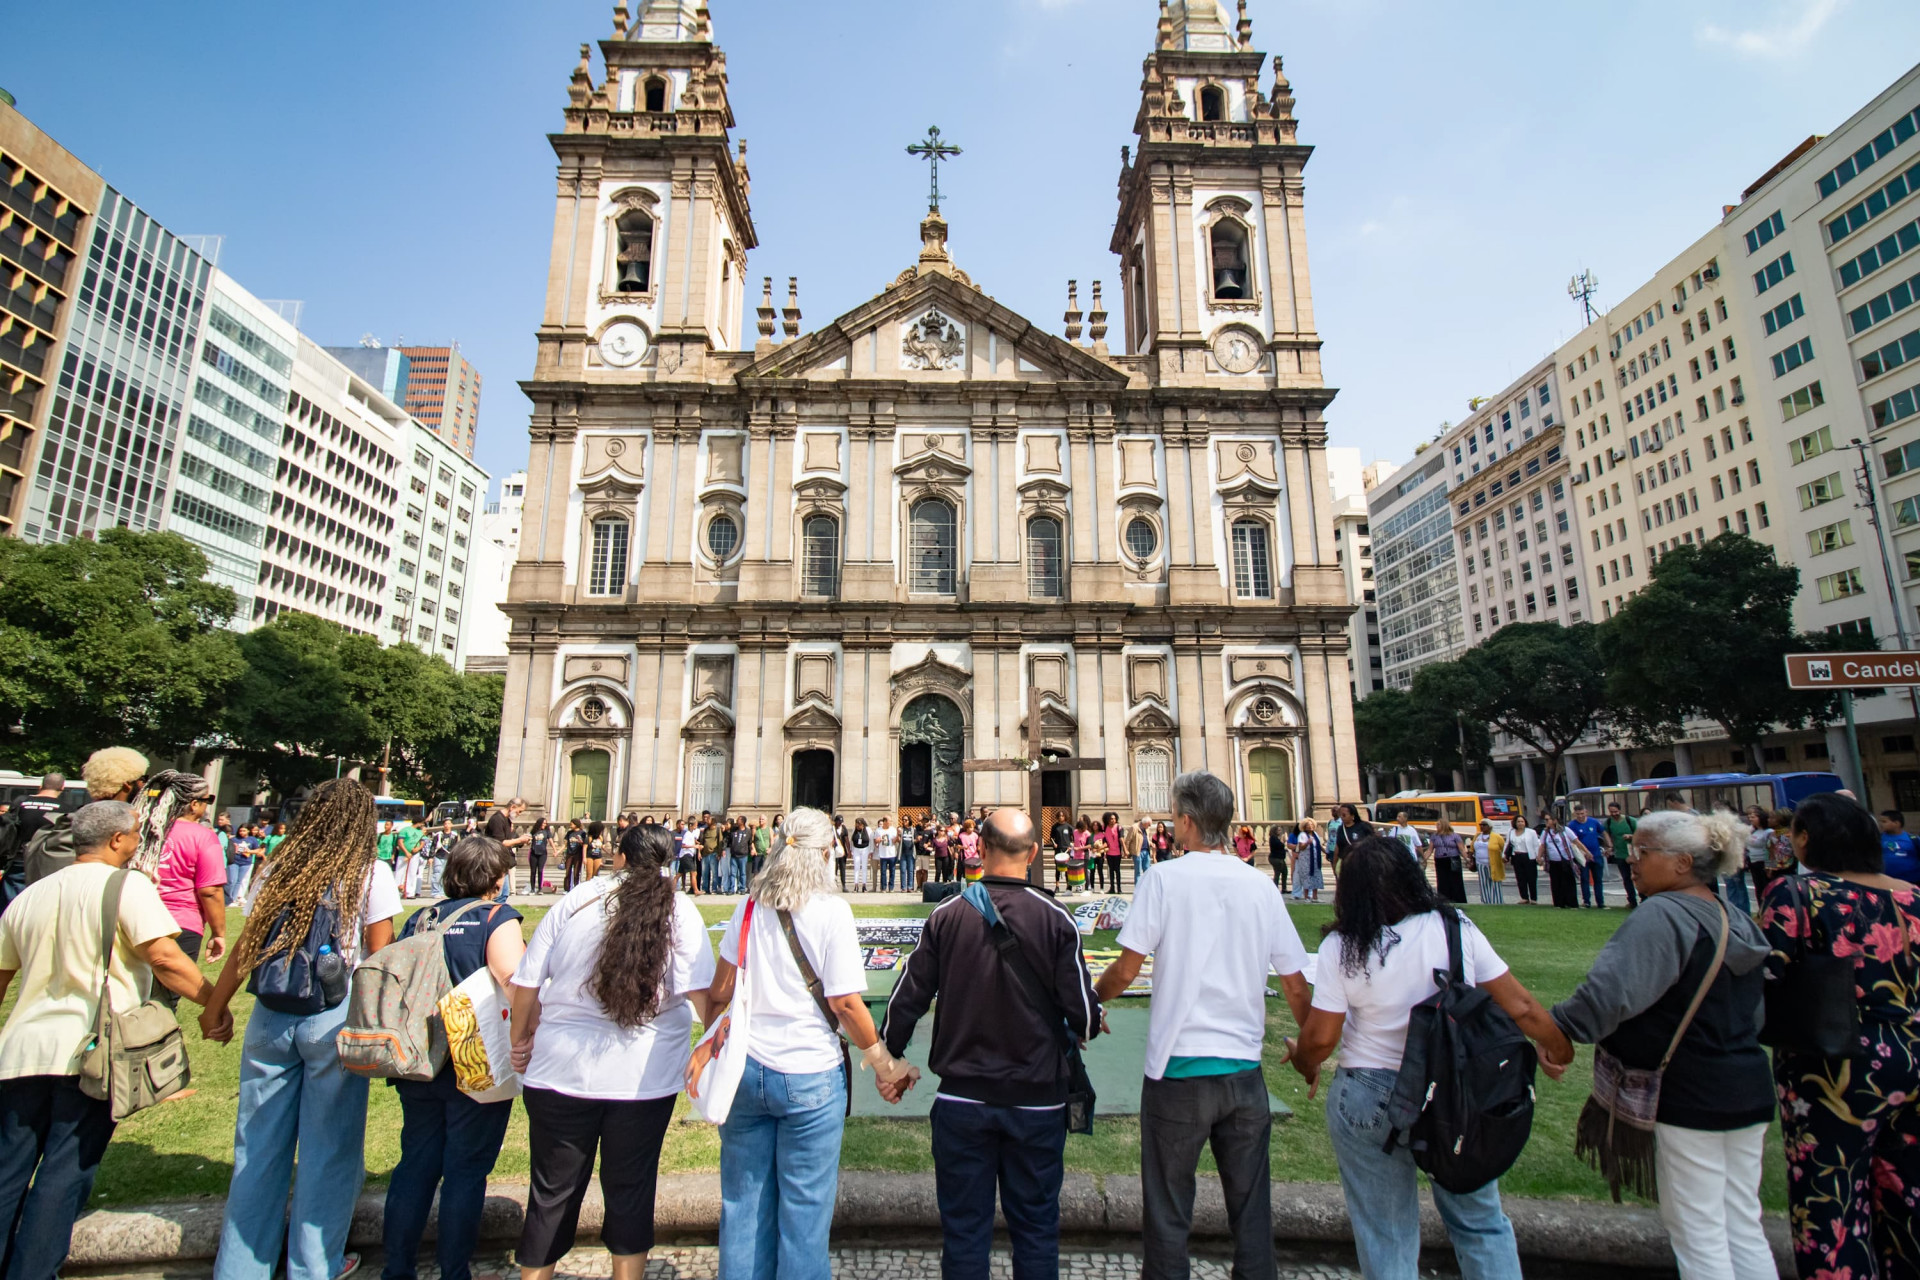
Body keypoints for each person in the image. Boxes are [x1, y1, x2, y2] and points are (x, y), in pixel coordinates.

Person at [1291, 837, 1573, 1280]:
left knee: (1386, 1234)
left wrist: (1303, 1061)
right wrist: (1558, 1046)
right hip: (1452, 1086)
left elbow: (1322, 1039)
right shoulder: (1453, 927)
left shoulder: (1342, 948)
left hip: (1369, 1089)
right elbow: (1520, 1006)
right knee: (1479, 1222)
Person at [1093, 771, 1313, 1280]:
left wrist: (1087, 1003)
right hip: (1243, 1075)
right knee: (1252, 1210)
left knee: (1169, 1211)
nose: (1171, 825)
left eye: (1173, 817)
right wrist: (1308, 1053)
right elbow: (1297, 986)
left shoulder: (1164, 879)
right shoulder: (1260, 885)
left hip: (1178, 1073)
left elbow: (1126, 970)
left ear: (1187, 823)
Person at [687, 808, 913, 1280]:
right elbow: (846, 1004)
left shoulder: (749, 906)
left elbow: (721, 990)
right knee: (805, 1215)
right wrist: (883, 1063)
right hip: (810, 1075)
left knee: (744, 1207)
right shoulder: (831, 911)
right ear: (826, 854)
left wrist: (717, 1035)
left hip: (746, 1074)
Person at [1551, 809, 1775, 1280]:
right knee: (1741, 1221)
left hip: (1689, 1093)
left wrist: (1557, 1031)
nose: (1631, 861)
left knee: (1697, 1230)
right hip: (1747, 1086)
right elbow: (1756, 1013)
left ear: (1680, 863)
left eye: (1642, 851)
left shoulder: (1664, 915)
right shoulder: (1732, 916)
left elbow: (1606, 996)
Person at [0, 800, 214, 1279]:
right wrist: (214, 1002)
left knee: (8, 1170)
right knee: (65, 1171)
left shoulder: (31, 895)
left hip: (20, 1052)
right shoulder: (126, 886)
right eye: (137, 834)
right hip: (89, 1052)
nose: (140, 842)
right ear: (117, 840)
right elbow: (165, 957)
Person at [882, 808, 1100, 1279]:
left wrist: (891, 1057)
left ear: (979, 849)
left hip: (963, 1101)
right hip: (1037, 1103)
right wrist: (1086, 1022)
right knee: (1038, 1230)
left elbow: (907, 998)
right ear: (1035, 853)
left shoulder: (947, 915)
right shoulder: (1056, 918)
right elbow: (1083, 1019)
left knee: (963, 1234)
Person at [201, 778, 404, 1280]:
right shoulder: (369, 872)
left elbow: (247, 946)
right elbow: (380, 956)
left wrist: (215, 1006)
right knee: (329, 1152)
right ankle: (315, 1267)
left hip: (271, 1014)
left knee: (257, 1149)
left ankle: (241, 1269)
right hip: (333, 1018)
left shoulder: (278, 867)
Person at [509, 823, 712, 1280]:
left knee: (550, 1194)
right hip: (643, 1079)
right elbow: (703, 996)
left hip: (558, 1070)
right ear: (669, 861)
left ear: (618, 856)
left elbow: (525, 985)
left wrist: (519, 1041)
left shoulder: (576, 900)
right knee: (632, 1189)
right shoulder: (680, 909)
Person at [1763, 793, 1920, 1280]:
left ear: (1806, 839)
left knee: (1830, 1206)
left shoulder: (1798, 894)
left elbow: (1767, 972)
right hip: (1911, 1051)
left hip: (1835, 1066)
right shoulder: (1911, 897)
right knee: (1908, 1199)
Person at [382, 837, 526, 1280]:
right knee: (465, 1170)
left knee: (416, 1165)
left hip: (419, 1055)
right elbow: (513, 980)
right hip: (473, 1060)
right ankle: (455, 1272)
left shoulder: (420, 917)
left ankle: (397, 1269)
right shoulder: (497, 918)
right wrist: (528, 1032)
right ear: (496, 879)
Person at [136, 771, 228, 1009]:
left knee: (130, 995)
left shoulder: (142, 829)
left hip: (136, 919)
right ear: (193, 804)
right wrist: (218, 933)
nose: (208, 806)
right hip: (180, 924)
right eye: (207, 800)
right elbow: (210, 891)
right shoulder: (203, 836)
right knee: (164, 1001)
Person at [24, 748, 147, 886]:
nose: (144, 785)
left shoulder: (71, 823)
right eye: (142, 780)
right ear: (127, 785)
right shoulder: (103, 828)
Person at [1, 773, 65, 911]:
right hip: (47, 863)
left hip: (18, 861)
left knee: (10, 905)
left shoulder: (20, 803)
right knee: (39, 905)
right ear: (62, 787)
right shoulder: (65, 809)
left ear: (40, 786)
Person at [484, 798, 530, 898]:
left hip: (503, 861)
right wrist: (519, 840)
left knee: (503, 894)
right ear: (512, 807)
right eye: (519, 811)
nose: (519, 814)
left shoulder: (507, 820)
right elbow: (500, 842)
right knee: (499, 895)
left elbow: (509, 840)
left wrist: (522, 841)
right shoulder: (497, 819)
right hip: (495, 861)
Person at [1567, 803, 1607, 908]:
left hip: (1596, 855)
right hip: (1582, 856)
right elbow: (1573, 841)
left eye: (1582, 813)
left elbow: (1603, 832)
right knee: (1584, 879)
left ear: (1586, 812)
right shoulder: (1572, 825)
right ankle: (1586, 901)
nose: (1580, 816)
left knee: (1598, 879)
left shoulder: (1593, 822)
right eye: (1578, 814)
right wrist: (1583, 853)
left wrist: (1609, 845)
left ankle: (1600, 902)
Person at [1540, 813, 1581, 910]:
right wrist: (1539, 856)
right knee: (1555, 882)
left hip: (1566, 860)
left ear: (1554, 821)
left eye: (1548, 820)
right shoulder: (1545, 832)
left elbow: (1576, 841)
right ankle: (1559, 903)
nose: (1546, 822)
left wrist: (1587, 852)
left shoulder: (1565, 830)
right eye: (1545, 820)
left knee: (1568, 882)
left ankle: (1572, 903)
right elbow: (1542, 845)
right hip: (1553, 861)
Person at [1605, 803, 1641, 909]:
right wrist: (1610, 846)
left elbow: (1641, 835)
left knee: (1638, 876)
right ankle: (1632, 901)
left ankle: (1644, 898)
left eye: (1616, 811)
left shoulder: (1631, 821)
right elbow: (1605, 832)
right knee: (1626, 878)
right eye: (1611, 812)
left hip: (1633, 853)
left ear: (1620, 810)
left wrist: (1630, 836)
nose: (1614, 814)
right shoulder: (1609, 822)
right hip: (1620, 854)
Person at [1429, 817, 1468, 904]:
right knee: (1442, 880)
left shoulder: (1454, 836)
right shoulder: (1434, 836)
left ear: (1444, 825)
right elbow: (1430, 849)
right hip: (1440, 860)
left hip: (1453, 859)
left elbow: (1461, 849)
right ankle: (1444, 899)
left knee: (1455, 879)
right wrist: (1424, 859)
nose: (1437, 826)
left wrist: (1467, 859)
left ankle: (1458, 899)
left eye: (1438, 824)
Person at [1877, 807, 1920, 885]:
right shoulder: (1878, 839)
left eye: (1884, 821)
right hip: (1887, 882)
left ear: (1896, 823)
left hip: (1913, 882)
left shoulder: (1913, 839)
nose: (1881, 824)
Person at [1507, 814, 1540, 905]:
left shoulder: (1531, 832)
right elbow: (1508, 844)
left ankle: (1533, 898)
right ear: (1515, 823)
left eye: (1522, 821)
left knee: (1531, 878)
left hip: (1529, 857)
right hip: (1516, 856)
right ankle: (1524, 897)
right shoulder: (1511, 832)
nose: (1520, 823)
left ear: (1525, 823)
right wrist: (1505, 856)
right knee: (1520, 878)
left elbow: (1536, 845)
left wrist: (1538, 857)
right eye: (1518, 822)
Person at [1473, 819, 1507, 905]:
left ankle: (1497, 901)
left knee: (1495, 882)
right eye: (1481, 825)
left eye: (1484, 825)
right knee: (1483, 882)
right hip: (1480, 863)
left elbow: (1504, 848)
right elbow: (1472, 848)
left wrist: (1504, 857)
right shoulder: (1477, 836)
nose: (1482, 826)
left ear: (1490, 827)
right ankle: (1486, 901)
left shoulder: (1497, 837)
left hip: (1493, 863)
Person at [1290, 820, 1325, 902]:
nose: (1310, 827)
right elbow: (1301, 847)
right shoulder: (1302, 835)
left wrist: (1325, 851)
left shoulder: (1315, 834)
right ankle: (1307, 897)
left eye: (1311, 825)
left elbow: (1318, 845)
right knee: (1306, 877)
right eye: (1308, 825)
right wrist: (1307, 843)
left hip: (1315, 860)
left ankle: (1315, 897)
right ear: (1304, 827)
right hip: (1305, 860)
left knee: (1316, 876)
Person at [873, 817, 897, 892]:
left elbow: (895, 841)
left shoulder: (893, 829)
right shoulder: (878, 830)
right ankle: (883, 888)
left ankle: (891, 887)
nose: (890, 822)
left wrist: (897, 836)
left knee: (892, 871)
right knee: (883, 872)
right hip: (883, 854)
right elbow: (875, 840)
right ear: (885, 822)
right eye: (889, 821)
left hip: (891, 853)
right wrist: (878, 840)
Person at [1101, 813, 1125, 892]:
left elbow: (1121, 839)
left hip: (1117, 852)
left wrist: (1125, 849)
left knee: (1117, 870)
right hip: (1109, 853)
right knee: (1111, 870)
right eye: (1111, 819)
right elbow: (1103, 838)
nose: (1113, 820)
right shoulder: (1104, 828)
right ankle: (1112, 888)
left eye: (1114, 819)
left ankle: (1119, 888)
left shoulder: (1119, 827)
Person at [528, 817, 552, 894]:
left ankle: (540, 888)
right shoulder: (534, 831)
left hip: (543, 853)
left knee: (540, 870)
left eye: (545, 823)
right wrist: (528, 841)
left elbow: (551, 840)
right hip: (534, 852)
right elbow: (529, 840)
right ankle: (532, 888)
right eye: (543, 823)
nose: (544, 825)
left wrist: (555, 850)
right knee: (533, 871)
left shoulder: (547, 831)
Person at [564, 819, 588, 893]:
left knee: (576, 872)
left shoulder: (582, 833)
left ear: (576, 824)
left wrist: (580, 842)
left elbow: (584, 845)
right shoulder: (569, 833)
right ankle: (567, 888)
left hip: (578, 854)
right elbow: (565, 843)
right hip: (569, 853)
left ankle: (576, 887)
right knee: (568, 871)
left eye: (572, 824)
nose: (570, 826)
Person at [849, 816, 871, 892]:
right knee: (856, 867)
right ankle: (856, 885)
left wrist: (870, 851)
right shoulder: (854, 830)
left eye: (859, 825)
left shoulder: (867, 830)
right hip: (856, 849)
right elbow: (852, 841)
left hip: (865, 849)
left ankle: (864, 885)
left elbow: (870, 840)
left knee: (864, 867)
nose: (857, 827)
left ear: (863, 825)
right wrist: (851, 850)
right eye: (856, 825)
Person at [959, 818, 983, 883]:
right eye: (970, 827)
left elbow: (978, 844)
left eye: (973, 827)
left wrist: (979, 847)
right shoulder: (961, 835)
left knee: (976, 873)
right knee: (966, 874)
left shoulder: (976, 835)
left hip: (975, 856)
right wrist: (963, 847)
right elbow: (957, 845)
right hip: (965, 857)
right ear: (966, 828)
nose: (972, 829)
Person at [1266, 823, 1288, 891]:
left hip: (1280, 858)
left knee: (1284, 872)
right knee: (1277, 873)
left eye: (1280, 830)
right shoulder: (1273, 838)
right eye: (1278, 830)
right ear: (1274, 831)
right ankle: (1275, 888)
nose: (1280, 832)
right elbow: (1279, 845)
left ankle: (1284, 888)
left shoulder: (1276, 838)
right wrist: (1284, 841)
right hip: (1276, 858)